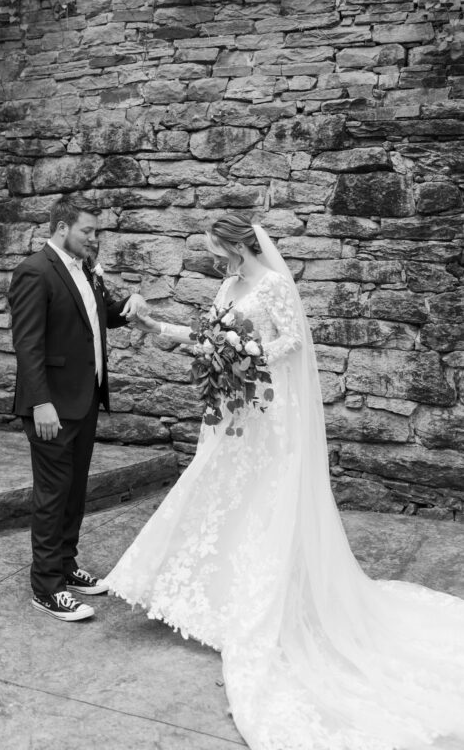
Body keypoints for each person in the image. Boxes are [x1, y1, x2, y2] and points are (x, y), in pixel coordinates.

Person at [108, 214, 464, 750]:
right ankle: (214, 597)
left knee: (263, 504)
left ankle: (267, 604)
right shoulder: (228, 286)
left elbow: (293, 340)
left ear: (236, 245)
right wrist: (157, 328)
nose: (212, 259)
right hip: (233, 412)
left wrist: (245, 355)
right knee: (221, 493)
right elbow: (207, 336)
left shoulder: (273, 285)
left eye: (215, 250)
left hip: (267, 413)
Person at [9, 195, 147, 623]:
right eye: (87, 230)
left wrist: (128, 306)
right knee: (52, 496)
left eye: (95, 231)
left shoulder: (84, 268)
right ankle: (46, 587)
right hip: (51, 406)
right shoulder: (35, 271)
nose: (94, 238)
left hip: (85, 398)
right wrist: (41, 403)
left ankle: (66, 566)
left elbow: (96, 317)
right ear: (62, 227)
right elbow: (27, 344)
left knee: (73, 492)